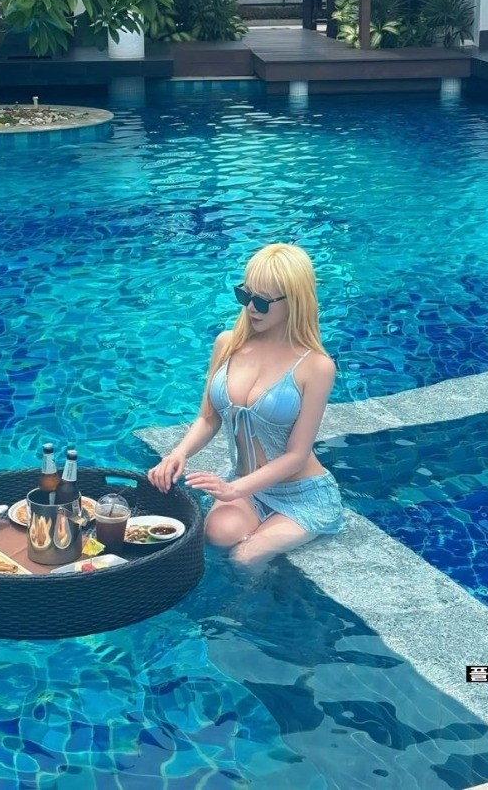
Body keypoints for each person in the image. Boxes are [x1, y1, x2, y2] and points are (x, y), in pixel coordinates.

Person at [147, 242, 345, 569]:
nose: (252, 308)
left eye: (263, 302)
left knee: (245, 557)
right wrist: (177, 454)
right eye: (246, 295)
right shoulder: (228, 344)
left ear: (295, 301)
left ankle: (269, 596)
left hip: (301, 493)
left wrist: (232, 489)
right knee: (217, 535)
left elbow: (296, 456)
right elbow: (208, 418)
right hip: (246, 486)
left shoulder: (316, 366)